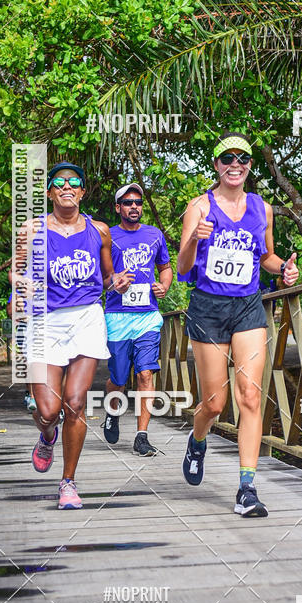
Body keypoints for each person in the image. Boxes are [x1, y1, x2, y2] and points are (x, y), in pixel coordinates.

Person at [177, 132, 299, 517]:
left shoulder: (261, 208)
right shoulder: (198, 207)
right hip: (208, 308)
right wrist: (194, 241)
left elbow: (265, 255)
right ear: (216, 165)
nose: (235, 165)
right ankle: (198, 441)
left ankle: (247, 488)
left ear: (249, 167)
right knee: (215, 403)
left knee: (249, 395)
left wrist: (284, 269)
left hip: (247, 307)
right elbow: (182, 268)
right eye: (227, 158)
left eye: (242, 159)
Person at [11, 162, 129, 510]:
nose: (66, 186)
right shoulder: (30, 230)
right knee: (48, 410)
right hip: (45, 320)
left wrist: (116, 283)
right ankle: (47, 434)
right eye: (59, 182)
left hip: (86, 317)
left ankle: (68, 483)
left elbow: (108, 278)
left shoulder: (100, 231)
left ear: (82, 191)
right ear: (49, 192)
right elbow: (15, 276)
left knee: (76, 403)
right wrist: (21, 287)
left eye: (73, 182)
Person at [102, 183, 173, 455]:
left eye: (138, 202)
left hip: (147, 316)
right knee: (118, 378)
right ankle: (112, 410)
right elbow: (100, 277)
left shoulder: (154, 234)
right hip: (118, 316)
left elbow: (165, 268)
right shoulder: (107, 235)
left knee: (145, 373)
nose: (134, 206)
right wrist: (114, 284)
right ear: (118, 207)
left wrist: (164, 286)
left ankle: (142, 436)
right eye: (128, 202)